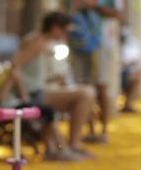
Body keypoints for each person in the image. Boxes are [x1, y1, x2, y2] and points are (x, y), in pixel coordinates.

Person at [9, 12, 97, 159]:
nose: (66, 36)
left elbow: (32, 71)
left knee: (84, 93)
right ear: (55, 28)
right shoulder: (37, 42)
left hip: (39, 90)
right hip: (33, 92)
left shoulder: (43, 42)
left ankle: (61, 147)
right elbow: (15, 66)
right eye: (65, 31)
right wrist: (24, 94)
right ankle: (71, 144)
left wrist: (53, 78)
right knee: (86, 93)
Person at [0, 45, 72, 161]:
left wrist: (14, 79)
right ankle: (60, 148)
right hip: (5, 109)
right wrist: (10, 80)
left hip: (10, 105)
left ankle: (54, 148)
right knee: (47, 111)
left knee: (45, 111)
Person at [64, 0, 124, 143]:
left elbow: (118, 12)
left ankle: (104, 130)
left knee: (101, 84)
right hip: (79, 38)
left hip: (101, 40)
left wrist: (92, 6)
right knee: (82, 85)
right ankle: (88, 128)